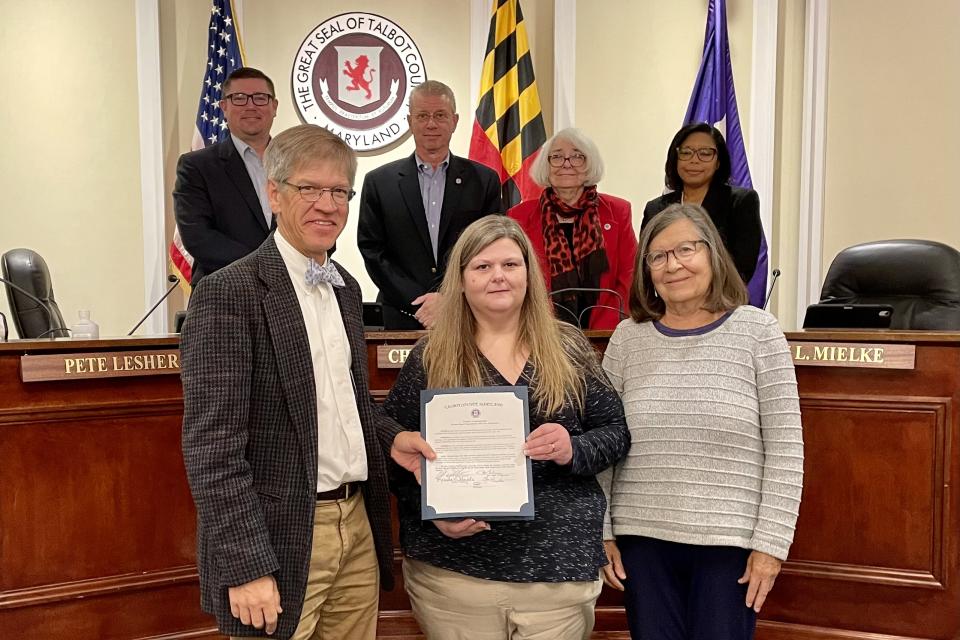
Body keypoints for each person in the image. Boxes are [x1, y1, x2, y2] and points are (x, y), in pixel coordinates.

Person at [180, 124, 433, 640]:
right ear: (274, 194)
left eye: (339, 191)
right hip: (279, 536)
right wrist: (246, 565)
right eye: (309, 188)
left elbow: (345, 402)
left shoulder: (346, 290)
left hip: (357, 527)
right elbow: (212, 448)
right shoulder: (229, 292)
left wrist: (392, 438)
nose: (327, 205)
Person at [384, 215, 631, 640]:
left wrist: (573, 448)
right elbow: (392, 450)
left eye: (510, 264)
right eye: (482, 266)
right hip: (455, 576)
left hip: (556, 575)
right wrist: (431, 510)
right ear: (461, 281)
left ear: (529, 275)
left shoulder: (568, 346)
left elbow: (615, 432)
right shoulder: (430, 356)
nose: (498, 276)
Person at [599, 203, 804, 639]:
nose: (673, 265)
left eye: (685, 250)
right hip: (641, 543)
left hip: (729, 547)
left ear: (712, 253)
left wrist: (771, 545)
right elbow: (605, 442)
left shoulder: (758, 332)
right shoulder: (627, 338)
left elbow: (786, 450)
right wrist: (602, 531)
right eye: (657, 256)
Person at [357, 80, 503, 330]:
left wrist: (450, 297)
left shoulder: (484, 181)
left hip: (467, 314)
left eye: (440, 115)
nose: (431, 124)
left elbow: (491, 247)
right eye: (422, 116)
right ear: (410, 121)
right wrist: (419, 302)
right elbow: (372, 251)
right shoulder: (379, 182)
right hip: (400, 315)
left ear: (454, 121)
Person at [509, 128, 637, 330]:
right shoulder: (519, 216)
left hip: (606, 332)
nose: (566, 164)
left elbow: (629, 276)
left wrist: (605, 329)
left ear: (590, 164)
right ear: (546, 166)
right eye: (557, 157)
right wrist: (543, 327)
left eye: (577, 157)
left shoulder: (618, 211)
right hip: (541, 331)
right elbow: (515, 279)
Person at [174, 67, 278, 286]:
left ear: (274, 106)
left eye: (260, 98)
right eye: (239, 98)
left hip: (290, 292)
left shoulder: (300, 163)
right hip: (225, 291)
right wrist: (269, 267)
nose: (250, 106)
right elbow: (198, 237)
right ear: (224, 107)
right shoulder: (196, 167)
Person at [642, 123, 762, 286]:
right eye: (686, 153)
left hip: (721, 297)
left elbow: (742, 267)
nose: (694, 160)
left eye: (705, 154)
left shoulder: (740, 201)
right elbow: (646, 265)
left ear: (718, 162)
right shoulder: (655, 209)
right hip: (669, 297)